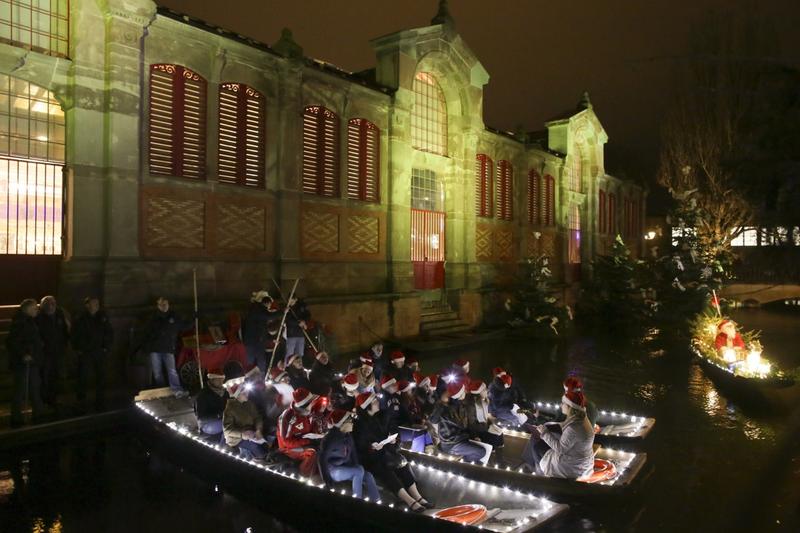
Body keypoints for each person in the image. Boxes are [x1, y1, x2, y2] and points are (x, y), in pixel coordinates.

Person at [352, 391, 430, 511]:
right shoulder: (360, 424)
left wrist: (393, 440)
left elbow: (392, 431)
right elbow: (360, 445)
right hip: (370, 458)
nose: (378, 402)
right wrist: (371, 447)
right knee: (386, 471)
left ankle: (418, 497)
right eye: (374, 402)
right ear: (367, 406)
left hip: (386, 452)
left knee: (403, 466)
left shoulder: (381, 416)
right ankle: (410, 501)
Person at [521, 389, 594, 479]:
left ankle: (540, 476)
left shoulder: (574, 427)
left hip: (572, 466)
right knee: (540, 443)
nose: (561, 405)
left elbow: (560, 449)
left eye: (563, 403)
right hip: (580, 456)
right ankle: (535, 467)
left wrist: (544, 432)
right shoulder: (581, 418)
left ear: (569, 407)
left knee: (537, 448)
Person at [319, 409, 381, 500]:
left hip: (347, 467)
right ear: (342, 424)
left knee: (368, 475)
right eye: (349, 421)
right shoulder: (331, 439)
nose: (352, 423)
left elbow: (353, 453)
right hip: (333, 470)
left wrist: (356, 466)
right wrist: (327, 481)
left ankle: (376, 500)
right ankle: (357, 499)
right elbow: (322, 459)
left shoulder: (348, 436)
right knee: (358, 471)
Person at [429, 382, 492, 465]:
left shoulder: (461, 405)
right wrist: (441, 403)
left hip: (460, 439)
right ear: (459, 394)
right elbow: (433, 420)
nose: (465, 391)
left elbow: (466, 425)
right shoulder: (445, 407)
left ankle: (466, 464)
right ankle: (461, 465)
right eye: (463, 391)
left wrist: (474, 436)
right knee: (481, 452)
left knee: (484, 450)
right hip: (451, 443)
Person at [6, 299, 45, 427]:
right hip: (23, 363)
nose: (37, 310)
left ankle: (38, 414)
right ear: (27, 309)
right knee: (20, 390)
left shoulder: (29, 320)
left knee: (34, 388)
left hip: (32, 360)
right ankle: (16, 418)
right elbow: (14, 342)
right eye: (34, 308)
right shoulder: (20, 322)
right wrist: (24, 353)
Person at [71, 297, 114, 411]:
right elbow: (75, 334)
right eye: (93, 303)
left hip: (99, 351)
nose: (96, 305)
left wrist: (106, 347)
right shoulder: (80, 318)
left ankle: (100, 399)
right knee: (83, 376)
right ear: (87, 305)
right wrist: (78, 348)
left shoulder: (102, 317)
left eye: (97, 303)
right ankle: (81, 400)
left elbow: (109, 332)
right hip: (85, 351)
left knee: (101, 375)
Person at [141, 297, 189, 398]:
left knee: (172, 371)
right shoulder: (153, 318)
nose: (164, 306)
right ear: (158, 306)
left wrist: (193, 318)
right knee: (157, 372)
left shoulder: (173, 317)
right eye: (161, 305)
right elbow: (146, 332)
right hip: (155, 349)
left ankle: (177, 390)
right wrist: (148, 346)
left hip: (168, 348)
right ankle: (162, 389)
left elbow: (183, 326)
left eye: (165, 304)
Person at [277, 387, 323, 478]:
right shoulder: (287, 417)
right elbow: (286, 442)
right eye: (311, 402)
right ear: (305, 405)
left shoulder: (309, 412)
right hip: (288, 449)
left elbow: (312, 427)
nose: (314, 403)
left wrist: (317, 433)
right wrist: (308, 441)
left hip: (306, 441)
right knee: (312, 452)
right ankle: (304, 476)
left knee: (322, 446)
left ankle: (318, 473)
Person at [35, 295, 70, 408]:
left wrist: (64, 344)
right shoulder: (39, 318)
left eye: (52, 303)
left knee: (55, 375)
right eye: (48, 304)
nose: (50, 306)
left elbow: (64, 330)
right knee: (45, 375)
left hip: (58, 350)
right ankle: (44, 398)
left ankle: (53, 398)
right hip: (45, 352)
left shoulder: (59, 314)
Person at [223, 379, 267, 460]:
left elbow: (257, 417)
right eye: (244, 393)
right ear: (237, 395)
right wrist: (242, 434)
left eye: (247, 392)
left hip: (252, 434)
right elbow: (227, 430)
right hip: (237, 439)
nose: (247, 394)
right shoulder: (230, 409)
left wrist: (258, 429)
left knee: (267, 445)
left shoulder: (249, 404)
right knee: (259, 451)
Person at [242, 290, 280, 374]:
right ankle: (250, 379)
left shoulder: (258, 309)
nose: (270, 306)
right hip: (252, 342)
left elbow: (263, 329)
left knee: (261, 362)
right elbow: (268, 316)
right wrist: (282, 312)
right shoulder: (256, 309)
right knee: (251, 362)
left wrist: (269, 340)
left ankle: (261, 379)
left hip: (258, 341)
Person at [465, 380, 504, 448]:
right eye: (484, 390)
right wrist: (475, 436)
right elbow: (471, 423)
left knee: (499, 431)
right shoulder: (472, 405)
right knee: (494, 436)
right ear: (478, 393)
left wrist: (491, 422)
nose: (487, 391)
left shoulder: (484, 401)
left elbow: (486, 416)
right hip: (477, 430)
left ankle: (494, 445)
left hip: (484, 426)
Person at [194, 370, 227, 440]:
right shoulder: (203, 395)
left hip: (224, 419)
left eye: (222, 380)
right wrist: (219, 415)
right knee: (228, 426)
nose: (221, 382)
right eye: (218, 380)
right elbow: (201, 418)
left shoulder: (225, 392)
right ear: (212, 380)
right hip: (208, 424)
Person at [284, 297, 311, 364]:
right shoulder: (288, 308)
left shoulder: (301, 307)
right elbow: (288, 320)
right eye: (289, 300)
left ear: (295, 299)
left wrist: (304, 322)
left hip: (300, 334)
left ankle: (299, 366)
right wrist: (298, 322)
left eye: (292, 300)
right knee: (290, 353)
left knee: (300, 354)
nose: (290, 302)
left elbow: (308, 315)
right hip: (291, 334)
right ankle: (288, 366)